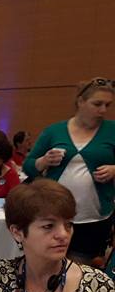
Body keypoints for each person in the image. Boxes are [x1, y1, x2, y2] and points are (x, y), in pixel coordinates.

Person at [24, 77, 115, 262]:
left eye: (108, 105)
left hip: (93, 217)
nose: (103, 110)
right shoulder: (54, 131)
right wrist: (43, 161)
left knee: (78, 269)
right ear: (81, 101)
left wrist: (114, 169)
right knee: (48, 263)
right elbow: (28, 165)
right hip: (52, 213)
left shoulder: (112, 130)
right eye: (97, 104)